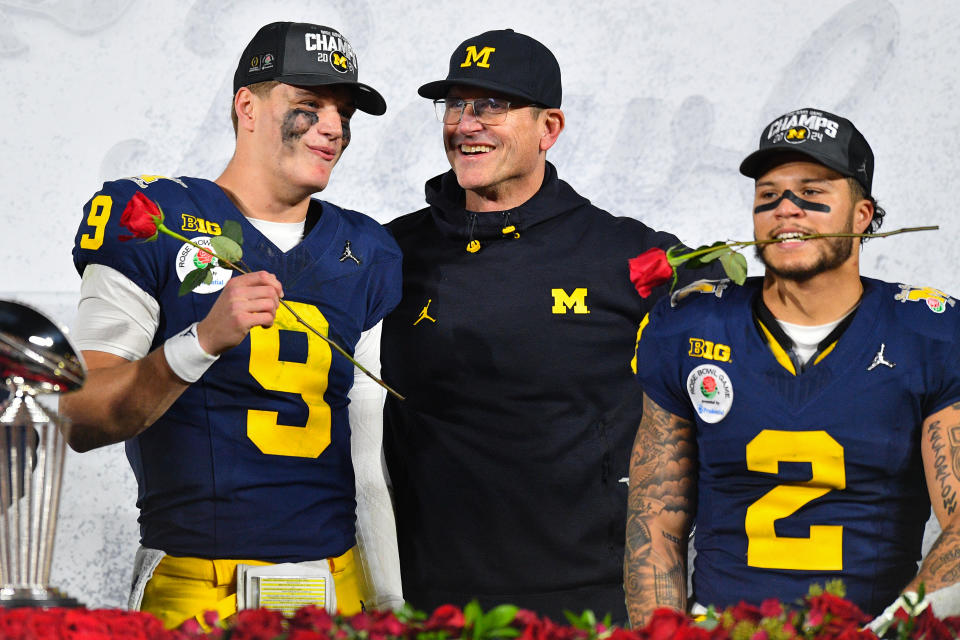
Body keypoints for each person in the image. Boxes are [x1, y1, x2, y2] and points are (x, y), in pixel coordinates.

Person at [61, 21, 403, 629]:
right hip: (201, 583)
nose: (333, 126)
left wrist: (388, 598)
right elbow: (82, 416)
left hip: (337, 580)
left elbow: (368, 442)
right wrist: (199, 343)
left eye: (343, 111)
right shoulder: (157, 219)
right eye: (309, 105)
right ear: (247, 106)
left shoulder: (366, 250)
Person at [380, 29, 721, 622]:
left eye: (492, 105)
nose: (466, 123)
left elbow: (765, 337)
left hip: (591, 601)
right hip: (430, 602)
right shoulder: (396, 249)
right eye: (455, 105)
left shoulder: (628, 255)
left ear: (549, 128)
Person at [624, 107, 960, 627]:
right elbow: (654, 523)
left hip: (872, 625)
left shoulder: (929, 331)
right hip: (724, 629)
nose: (787, 209)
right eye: (768, 196)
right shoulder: (693, 326)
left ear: (862, 215)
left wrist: (890, 632)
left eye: (813, 193)